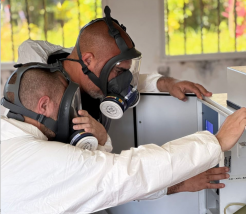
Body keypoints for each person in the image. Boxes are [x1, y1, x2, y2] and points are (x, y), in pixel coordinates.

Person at [2, 62, 246, 214]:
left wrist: (175, 184)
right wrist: (216, 142)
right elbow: (123, 175)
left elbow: (99, 186)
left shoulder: (11, 140)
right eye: (67, 105)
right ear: (43, 105)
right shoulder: (36, 158)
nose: (74, 114)